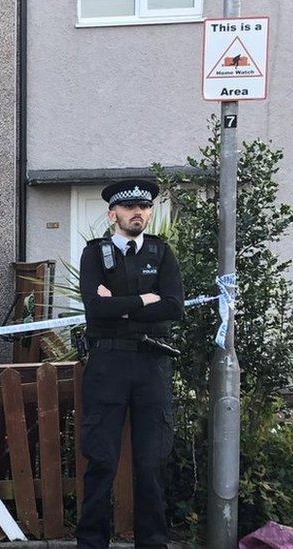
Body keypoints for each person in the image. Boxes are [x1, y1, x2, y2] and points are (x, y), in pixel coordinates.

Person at [76, 180, 185, 549]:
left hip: (152, 364)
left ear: (150, 212)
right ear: (113, 214)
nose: (137, 211)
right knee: (101, 460)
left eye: (143, 206)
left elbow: (173, 307)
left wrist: (119, 304)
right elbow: (95, 309)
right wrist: (142, 300)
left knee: (152, 463)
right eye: (128, 207)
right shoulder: (95, 254)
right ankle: (91, 542)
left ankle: (152, 543)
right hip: (108, 363)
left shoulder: (161, 252)